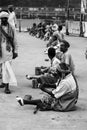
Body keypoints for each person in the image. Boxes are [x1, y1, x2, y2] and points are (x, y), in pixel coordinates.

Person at [0, 10, 18, 94]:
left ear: (7, 19)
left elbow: (15, 40)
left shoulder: (12, 28)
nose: (3, 20)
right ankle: (4, 82)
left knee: (7, 68)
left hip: (8, 50)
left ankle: (7, 86)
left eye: (5, 18)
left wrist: (16, 51)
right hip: (0, 51)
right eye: (2, 18)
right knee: (2, 68)